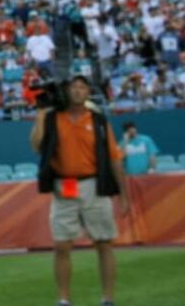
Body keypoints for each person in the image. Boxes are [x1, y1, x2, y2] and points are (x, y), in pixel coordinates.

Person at [30, 74, 131, 306]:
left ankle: (108, 298)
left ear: (88, 92)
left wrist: (122, 196)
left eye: (81, 86)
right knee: (61, 245)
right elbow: (37, 145)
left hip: (93, 184)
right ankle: (63, 299)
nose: (76, 90)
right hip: (64, 185)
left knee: (104, 242)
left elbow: (115, 158)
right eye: (72, 86)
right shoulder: (53, 117)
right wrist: (41, 116)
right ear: (66, 91)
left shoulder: (97, 120)